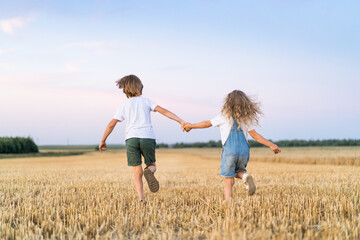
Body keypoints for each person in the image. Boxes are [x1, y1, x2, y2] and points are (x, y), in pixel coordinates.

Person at [99, 75, 186, 204]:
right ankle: (149, 172)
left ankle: (141, 199)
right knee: (152, 165)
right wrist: (181, 121)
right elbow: (164, 111)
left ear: (125, 90)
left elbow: (112, 123)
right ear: (140, 87)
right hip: (147, 137)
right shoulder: (146, 101)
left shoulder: (124, 105)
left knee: (136, 171)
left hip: (131, 138)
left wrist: (103, 140)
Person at [184, 90, 281, 201]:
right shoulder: (246, 118)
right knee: (238, 171)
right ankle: (244, 176)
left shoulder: (224, 116)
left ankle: (229, 203)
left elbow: (207, 123)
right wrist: (271, 144)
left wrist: (191, 126)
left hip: (229, 151)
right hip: (244, 151)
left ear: (228, 103)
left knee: (228, 180)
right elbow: (255, 135)